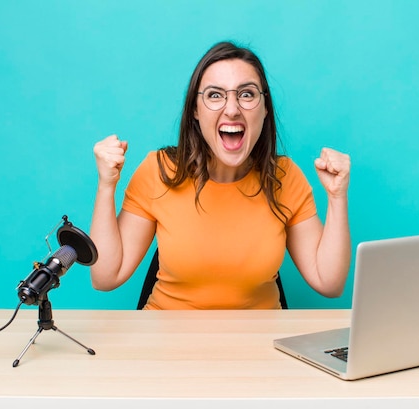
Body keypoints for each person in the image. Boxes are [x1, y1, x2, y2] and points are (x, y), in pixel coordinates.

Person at [90, 41, 351, 309]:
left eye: (247, 95)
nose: (232, 108)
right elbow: (105, 277)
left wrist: (337, 196)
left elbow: (329, 282)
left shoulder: (283, 178)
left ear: (265, 108)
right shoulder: (159, 171)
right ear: (195, 110)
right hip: (168, 342)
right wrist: (106, 186)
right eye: (215, 95)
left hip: (259, 343)